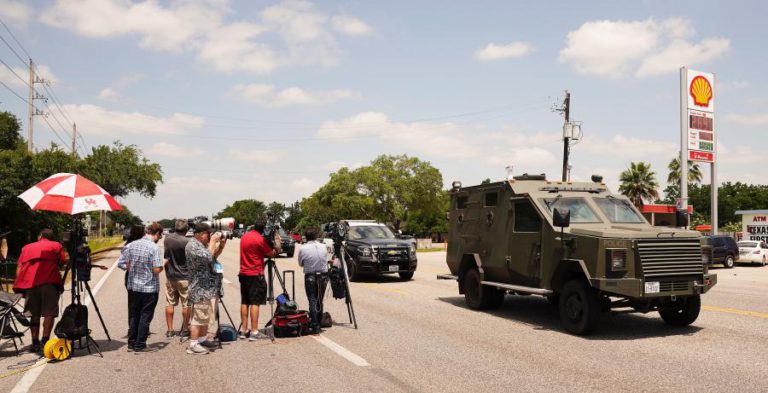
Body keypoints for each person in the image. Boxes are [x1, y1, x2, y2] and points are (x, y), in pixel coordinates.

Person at [13, 229, 68, 353]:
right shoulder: (56, 245)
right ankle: (45, 342)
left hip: (31, 284)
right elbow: (62, 263)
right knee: (49, 313)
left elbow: (19, 267)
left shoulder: (26, 247)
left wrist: (20, 285)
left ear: (40, 236)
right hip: (49, 282)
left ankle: (34, 343)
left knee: (33, 313)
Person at [185, 223, 226, 355]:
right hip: (199, 289)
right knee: (198, 317)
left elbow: (212, 257)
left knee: (204, 317)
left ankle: (202, 339)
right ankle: (193, 344)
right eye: (208, 234)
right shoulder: (192, 246)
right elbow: (208, 255)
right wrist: (213, 241)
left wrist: (221, 245)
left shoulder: (201, 245)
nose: (210, 237)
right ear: (201, 234)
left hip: (206, 288)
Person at [123, 223, 164, 352]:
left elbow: (128, 266)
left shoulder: (132, 245)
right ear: (157, 234)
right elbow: (156, 269)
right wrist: (163, 265)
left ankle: (131, 342)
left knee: (134, 315)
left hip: (134, 287)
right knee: (145, 315)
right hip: (149, 288)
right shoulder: (154, 248)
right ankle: (140, 344)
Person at [238, 219, 275, 341]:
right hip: (255, 274)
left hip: (243, 273)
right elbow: (271, 253)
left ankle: (244, 330)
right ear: (264, 229)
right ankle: (254, 332)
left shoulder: (245, 237)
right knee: (255, 302)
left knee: (245, 301)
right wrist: (276, 244)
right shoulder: (260, 239)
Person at [298, 228, 329, 334]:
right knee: (319, 300)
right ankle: (318, 324)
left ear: (306, 237)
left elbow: (301, 263)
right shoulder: (323, 246)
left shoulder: (303, 248)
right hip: (323, 276)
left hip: (310, 277)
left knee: (312, 301)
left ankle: (315, 325)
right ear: (316, 236)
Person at [163, 220, 190, 337]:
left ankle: (170, 329)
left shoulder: (167, 239)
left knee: (170, 303)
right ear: (186, 230)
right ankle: (184, 328)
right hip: (184, 277)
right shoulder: (187, 242)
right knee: (186, 304)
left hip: (170, 276)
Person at [118, 225, 145, 330]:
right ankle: (133, 327)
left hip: (144, 276)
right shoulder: (128, 246)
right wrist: (129, 267)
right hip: (132, 277)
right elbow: (121, 263)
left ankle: (141, 327)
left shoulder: (146, 245)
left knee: (143, 303)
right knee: (133, 304)